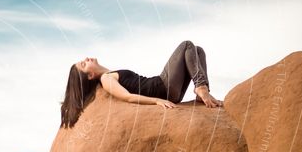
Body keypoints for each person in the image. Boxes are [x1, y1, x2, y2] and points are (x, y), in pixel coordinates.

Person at [60, 40, 224, 128]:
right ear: (90, 75)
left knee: (198, 50)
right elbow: (128, 97)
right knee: (187, 45)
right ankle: (201, 88)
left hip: (170, 91)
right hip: (162, 86)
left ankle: (202, 91)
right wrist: (156, 101)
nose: (86, 59)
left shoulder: (108, 75)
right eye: (83, 64)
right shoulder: (106, 79)